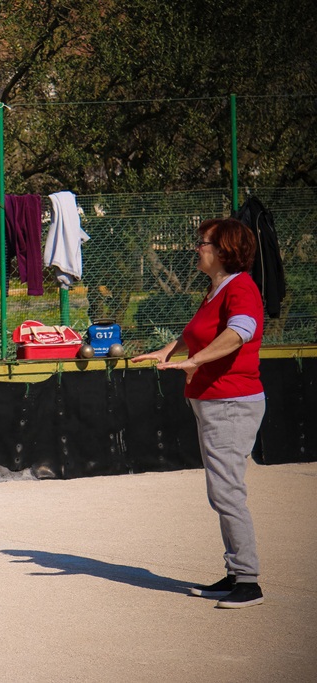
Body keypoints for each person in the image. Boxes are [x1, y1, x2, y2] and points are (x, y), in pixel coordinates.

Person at [132, 217, 266, 609]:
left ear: (224, 250)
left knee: (226, 492)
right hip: (214, 401)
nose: (197, 248)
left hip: (232, 402)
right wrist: (169, 350)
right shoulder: (217, 288)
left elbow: (238, 332)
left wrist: (197, 361)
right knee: (220, 491)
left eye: (203, 242)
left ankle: (248, 581)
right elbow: (202, 331)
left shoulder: (241, 288)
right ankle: (235, 573)